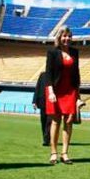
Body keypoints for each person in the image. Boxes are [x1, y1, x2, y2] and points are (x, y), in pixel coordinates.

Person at [45, 26, 80, 165]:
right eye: (64, 36)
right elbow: (48, 73)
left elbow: (77, 74)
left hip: (70, 90)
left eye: (69, 36)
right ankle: (53, 152)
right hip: (55, 90)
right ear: (59, 37)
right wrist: (51, 91)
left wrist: (78, 95)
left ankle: (64, 153)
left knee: (69, 121)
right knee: (55, 121)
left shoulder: (75, 52)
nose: (67, 39)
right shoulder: (52, 52)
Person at [32, 71, 51, 147]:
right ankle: (45, 137)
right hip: (42, 101)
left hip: (52, 102)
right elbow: (37, 87)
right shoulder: (42, 75)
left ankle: (46, 140)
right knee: (43, 121)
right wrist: (34, 101)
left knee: (49, 122)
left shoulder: (55, 75)